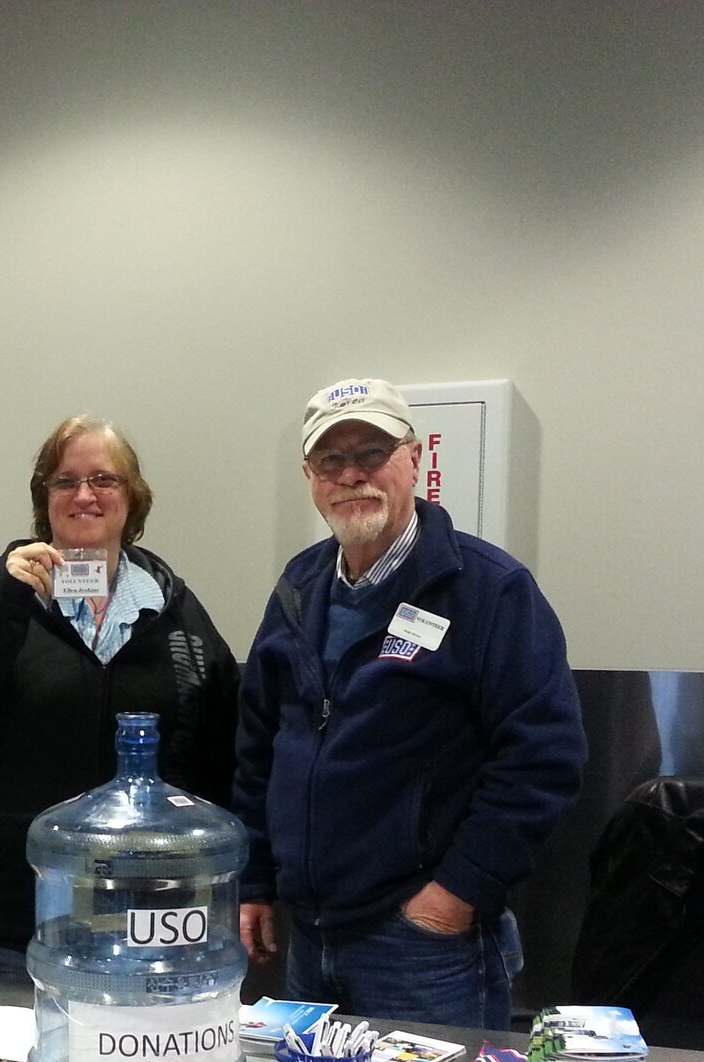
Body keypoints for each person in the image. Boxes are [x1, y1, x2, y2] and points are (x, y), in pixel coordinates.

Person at [233, 379, 585, 1027]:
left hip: (423, 946)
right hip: (310, 936)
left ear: (414, 459)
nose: (353, 475)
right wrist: (255, 880)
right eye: (332, 461)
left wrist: (454, 896)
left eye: (372, 453)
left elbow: (544, 759)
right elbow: (260, 744)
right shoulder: (298, 587)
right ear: (310, 477)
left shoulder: (488, 589)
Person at [0, 415, 241, 980]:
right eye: (65, 481)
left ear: (131, 500)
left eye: (104, 480)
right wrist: (5, 606)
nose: (84, 495)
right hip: (9, 925)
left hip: (151, 919)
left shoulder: (172, 607)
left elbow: (222, 748)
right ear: (45, 498)